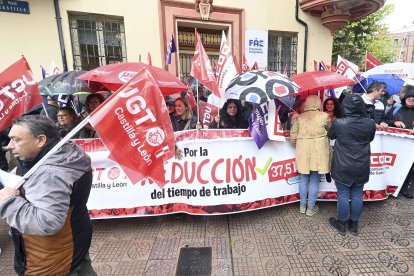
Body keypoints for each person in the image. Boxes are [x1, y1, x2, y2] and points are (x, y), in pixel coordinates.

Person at [0, 115, 96, 275]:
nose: (9, 146)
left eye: (16, 139)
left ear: (41, 140)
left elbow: (47, 222)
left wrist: (9, 201)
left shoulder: (50, 174)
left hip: (53, 258)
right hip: (73, 243)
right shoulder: (67, 151)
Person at [328, 94, 376, 235]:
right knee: (357, 194)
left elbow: (331, 135)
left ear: (346, 106)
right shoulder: (370, 123)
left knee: (343, 194)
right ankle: (354, 226)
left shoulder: (339, 123)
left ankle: (341, 224)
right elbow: (370, 138)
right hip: (361, 164)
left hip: (343, 164)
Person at [290, 95, 331, 216]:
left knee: (303, 179)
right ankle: (311, 208)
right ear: (318, 103)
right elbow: (330, 130)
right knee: (314, 180)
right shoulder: (324, 116)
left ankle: (302, 206)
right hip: (319, 150)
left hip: (303, 150)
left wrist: (299, 144)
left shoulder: (300, 117)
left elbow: (293, 136)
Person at [385, 85, 414, 198]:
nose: (411, 99)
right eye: (409, 97)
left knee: (408, 168)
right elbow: (384, 121)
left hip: (411, 146)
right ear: (404, 99)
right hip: (396, 145)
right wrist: (394, 122)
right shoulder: (396, 109)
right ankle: (390, 187)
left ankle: (404, 189)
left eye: (413, 97)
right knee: (394, 166)